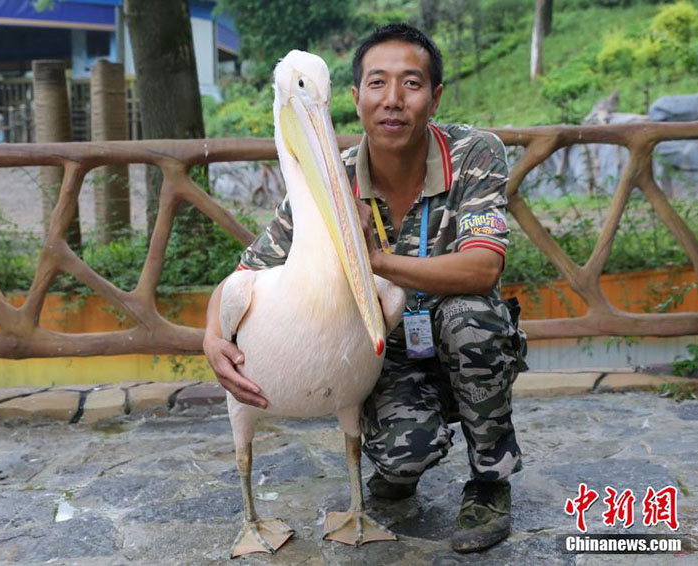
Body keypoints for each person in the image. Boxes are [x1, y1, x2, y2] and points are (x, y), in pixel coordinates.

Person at [203, 23, 527, 553]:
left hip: (460, 343)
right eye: (377, 84)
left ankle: (490, 482)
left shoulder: (474, 153)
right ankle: (399, 461)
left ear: (435, 95)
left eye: (411, 84)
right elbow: (247, 273)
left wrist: (369, 257)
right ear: (354, 98)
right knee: (404, 457)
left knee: (471, 317)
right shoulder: (331, 180)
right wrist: (208, 339)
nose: (393, 100)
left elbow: (482, 269)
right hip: (382, 355)